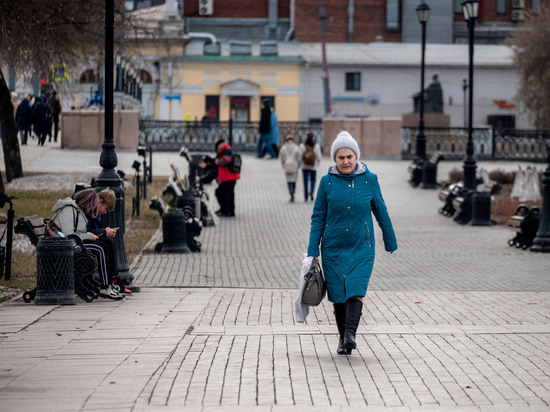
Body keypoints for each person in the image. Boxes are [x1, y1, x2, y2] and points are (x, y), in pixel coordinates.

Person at [307, 131, 397, 355]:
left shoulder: (370, 180)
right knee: (338, 294)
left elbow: (381, 212)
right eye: (341, 157)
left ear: (356, 157)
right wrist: (313, 249)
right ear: (334, 160)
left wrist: (390, 240)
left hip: (361, 246)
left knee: (356, 288)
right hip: (333, 247)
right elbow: (318, 216)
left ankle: (350, 334)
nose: (346, 161)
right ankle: (342, 339)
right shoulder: (326, 182)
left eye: (349, 157)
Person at [51, 188, 123, 300]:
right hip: (64, 245)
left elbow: (78, 233)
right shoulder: (69, 209)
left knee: (104, 244)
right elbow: (68, 235)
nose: (92, 209)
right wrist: (90, 236)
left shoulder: (78, 212)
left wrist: (90, 235)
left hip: (71, 243)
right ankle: (105, 286)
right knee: (100, 248)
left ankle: (109, 282)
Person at [84, 189, 131, 295]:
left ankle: (114, 279)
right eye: (106, 208)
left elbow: (93, 230)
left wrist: (105, 231)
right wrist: (104, 232)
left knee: (110, 242)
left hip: (87, 237)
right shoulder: (88, 209)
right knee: (103, 246)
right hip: (81, 239)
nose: (105, 212)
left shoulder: (94, 210)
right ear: (100, 201)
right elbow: (86, 230)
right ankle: (106, 284)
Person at [214, 140, 240, 217]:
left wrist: (218, 161)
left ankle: (226, 211)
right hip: (229, 177)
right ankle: (230, 210)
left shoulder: (226, 150)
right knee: (228, 193)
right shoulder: (225, 150)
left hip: (229, 177)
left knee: (223, 193)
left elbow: (226, 161)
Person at [299, 132, 322, 202]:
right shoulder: (316, 146)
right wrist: (317, 164)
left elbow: (300, 156)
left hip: (305, 166)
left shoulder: (302, 146)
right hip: (313, 166)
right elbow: (319, 157)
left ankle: (306, 196)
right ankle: (311, 192)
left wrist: (300, 164)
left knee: (305, 181)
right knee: (313, 180)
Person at [279, 134, 301, 202]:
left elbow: (281, 158)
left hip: (287, 165)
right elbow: (299, 158)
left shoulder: (283, 148)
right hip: (294, 166)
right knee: (294, 181)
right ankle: (293, 191)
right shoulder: (296, 148)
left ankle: (290, 192)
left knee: (288, 181)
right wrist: (298, 165)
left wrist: (283, 165)